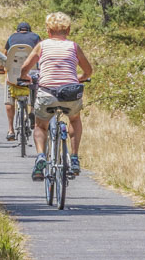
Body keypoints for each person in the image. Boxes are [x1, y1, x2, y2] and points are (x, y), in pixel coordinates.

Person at [20, 11, 92, 180]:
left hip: (47, 92)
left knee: (40, 125)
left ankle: (41, 157)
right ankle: (74, 157)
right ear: (68, 30)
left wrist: (27, 78)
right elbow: (88, 71)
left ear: (48, 31)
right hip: (71, 93)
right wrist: (79, 78)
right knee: (74, 119)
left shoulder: (42, 45)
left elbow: (24, 69)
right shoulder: (74, 46)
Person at [0, 20, 41, 140]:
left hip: (14, 75)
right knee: (36, 85)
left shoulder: (12, 37)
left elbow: (6, 56)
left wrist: (1, 68)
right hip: (30, 74)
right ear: (29, 31)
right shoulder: (36, 37)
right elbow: (41, 54)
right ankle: (32, 109)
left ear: (18, 31)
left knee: (9, 99)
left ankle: (11, 130)